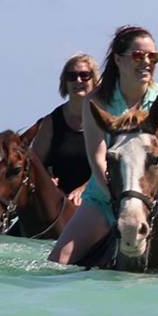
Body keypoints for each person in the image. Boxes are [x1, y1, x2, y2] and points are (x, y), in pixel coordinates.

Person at [48, 26, 158, 265]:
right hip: (104, 197)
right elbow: (97, 157)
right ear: (119, 60)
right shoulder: (95, 101)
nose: (147, 62)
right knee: (57, 263)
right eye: (138, 56)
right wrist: (118, 201)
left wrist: (156, 204)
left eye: (153, 57)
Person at [31, 53, 100, 206]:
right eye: (72, 76)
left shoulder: (104, 120)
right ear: (65, 82)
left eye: (84, 75)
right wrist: (46, 180)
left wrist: (84, 189)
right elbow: (34, 165)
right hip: (56, 203)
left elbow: (111, 167)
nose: (78, 80)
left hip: (96, 200)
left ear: (94, 81)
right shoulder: (51, 122)